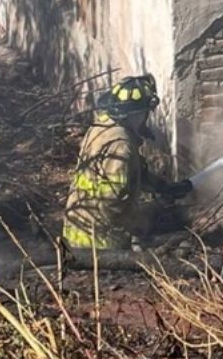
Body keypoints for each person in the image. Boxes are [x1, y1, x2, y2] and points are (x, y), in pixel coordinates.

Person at [62, 74, 193, 253]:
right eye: (146, 111)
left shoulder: (101, 127)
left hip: (77, 228)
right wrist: (147, 215)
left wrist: (163, 187)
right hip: (98, 243)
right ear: (137, 114)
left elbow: (133, 172)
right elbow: (112, 202)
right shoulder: (121, 146)